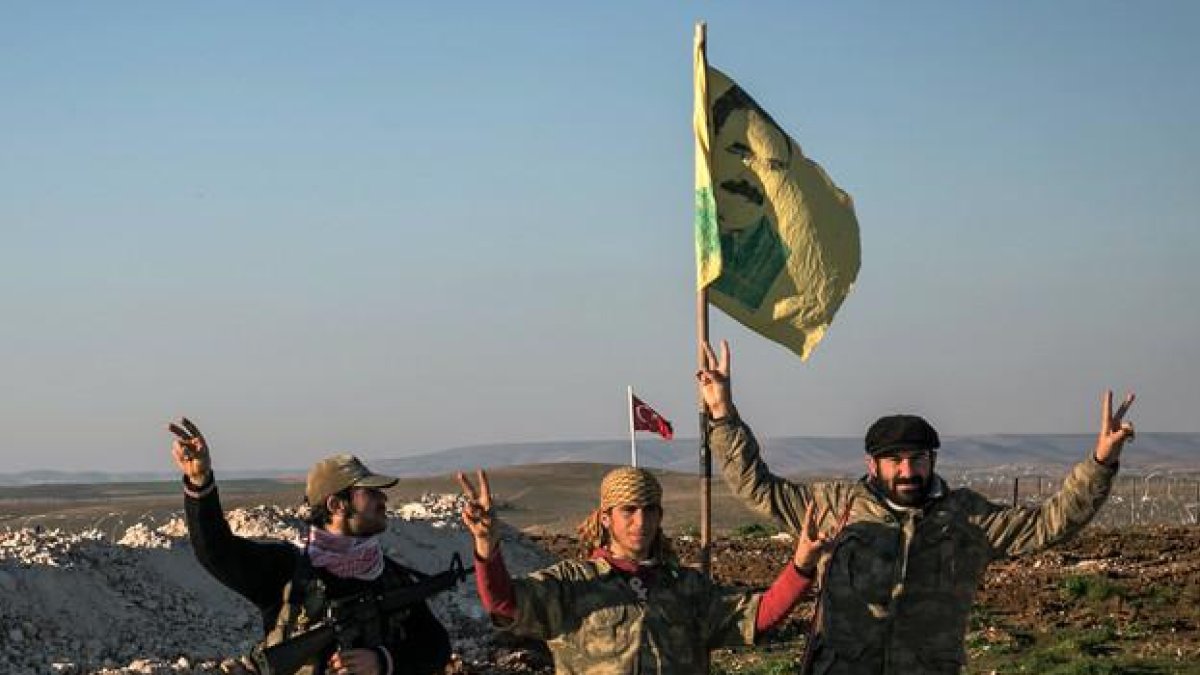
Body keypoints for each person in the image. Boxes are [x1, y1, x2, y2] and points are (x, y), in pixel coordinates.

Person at [696, 340, 1136, 675]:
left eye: (918, 459)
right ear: (872, 464)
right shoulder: (834, 507)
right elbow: (758, 488)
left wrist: (1101, 462)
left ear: (933, 461)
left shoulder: (966, 519)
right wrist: (722, 413)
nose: (908, 470)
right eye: (895, 461)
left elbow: (1053, 522)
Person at [457, 465, 844, 675]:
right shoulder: (572, 585)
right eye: (628, 510)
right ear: (606, 518)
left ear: (660, 516)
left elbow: (758, 617)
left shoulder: (686, 587)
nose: (640, 521)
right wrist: (487, 547)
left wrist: (802, 563)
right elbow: (505, 605)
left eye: (649, 510)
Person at [168, 418, 452, 675]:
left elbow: (436, 647)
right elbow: (216, 552)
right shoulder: (287, 571)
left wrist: (382, 661)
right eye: (371, 492)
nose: (383, 500)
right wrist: (199, 481)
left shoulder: (387, 574)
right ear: (336, 504)